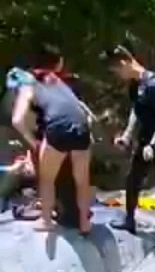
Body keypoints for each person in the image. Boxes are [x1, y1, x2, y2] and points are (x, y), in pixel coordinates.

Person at [105, 44, 155, 243]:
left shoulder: (154, 85)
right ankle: (129, 220)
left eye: (117, 70)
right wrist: (128, 135)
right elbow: (136, 110)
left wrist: (153, 146)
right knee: (133, 179)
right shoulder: (134, 84)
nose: (118, 75)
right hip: (145, 137)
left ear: (125, 63)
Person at [6, 65, 92, 234]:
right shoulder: (57, 82)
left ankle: (45, 220)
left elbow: (17, 120)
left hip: (58, 127)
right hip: (82, 127)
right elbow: (82, 111)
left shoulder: (27, 86)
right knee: (82, 181)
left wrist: (33, 142)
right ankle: (84, 223)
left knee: (47, 179)